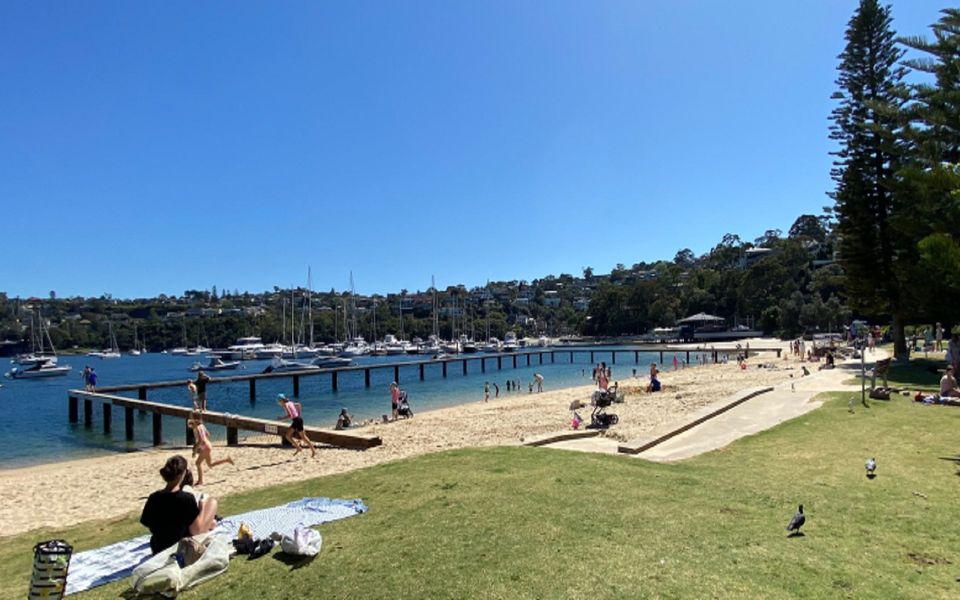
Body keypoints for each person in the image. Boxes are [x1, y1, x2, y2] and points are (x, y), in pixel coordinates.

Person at [140, 455, 218, 555]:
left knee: (204, 518)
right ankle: (211, 522)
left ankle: (211, 523)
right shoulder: (186, 498)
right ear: (183, 473)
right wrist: (202, 507)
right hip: (180, 549)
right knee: (212, 502)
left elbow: (148, 523)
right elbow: (196, 531)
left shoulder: (153, 497)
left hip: (158, 548)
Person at [187, 413, 233, 485]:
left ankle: (200, 481)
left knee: (198, 463)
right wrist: (202, 445)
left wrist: (195, 450)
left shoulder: (197, 428)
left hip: (206, 447)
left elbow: (200, 440)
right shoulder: (201, 426)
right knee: (210, 465)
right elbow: (208, 434)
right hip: (207, 446)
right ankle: (227, 459)